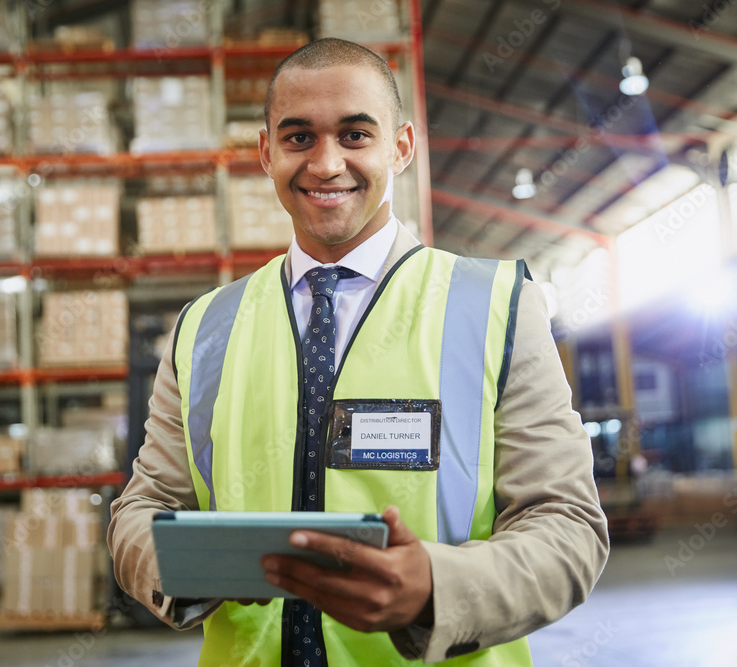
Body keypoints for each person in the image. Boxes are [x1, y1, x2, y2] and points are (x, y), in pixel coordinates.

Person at [109, 38, 608, 666]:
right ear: (266, 153)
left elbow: (567, 526)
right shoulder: (205, 327)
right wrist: (180, 568)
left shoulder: (498, 307)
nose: (324, 164)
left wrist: (434, 587)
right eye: (298, 139)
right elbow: (146, 503)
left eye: (354, 136)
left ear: (400, 147)